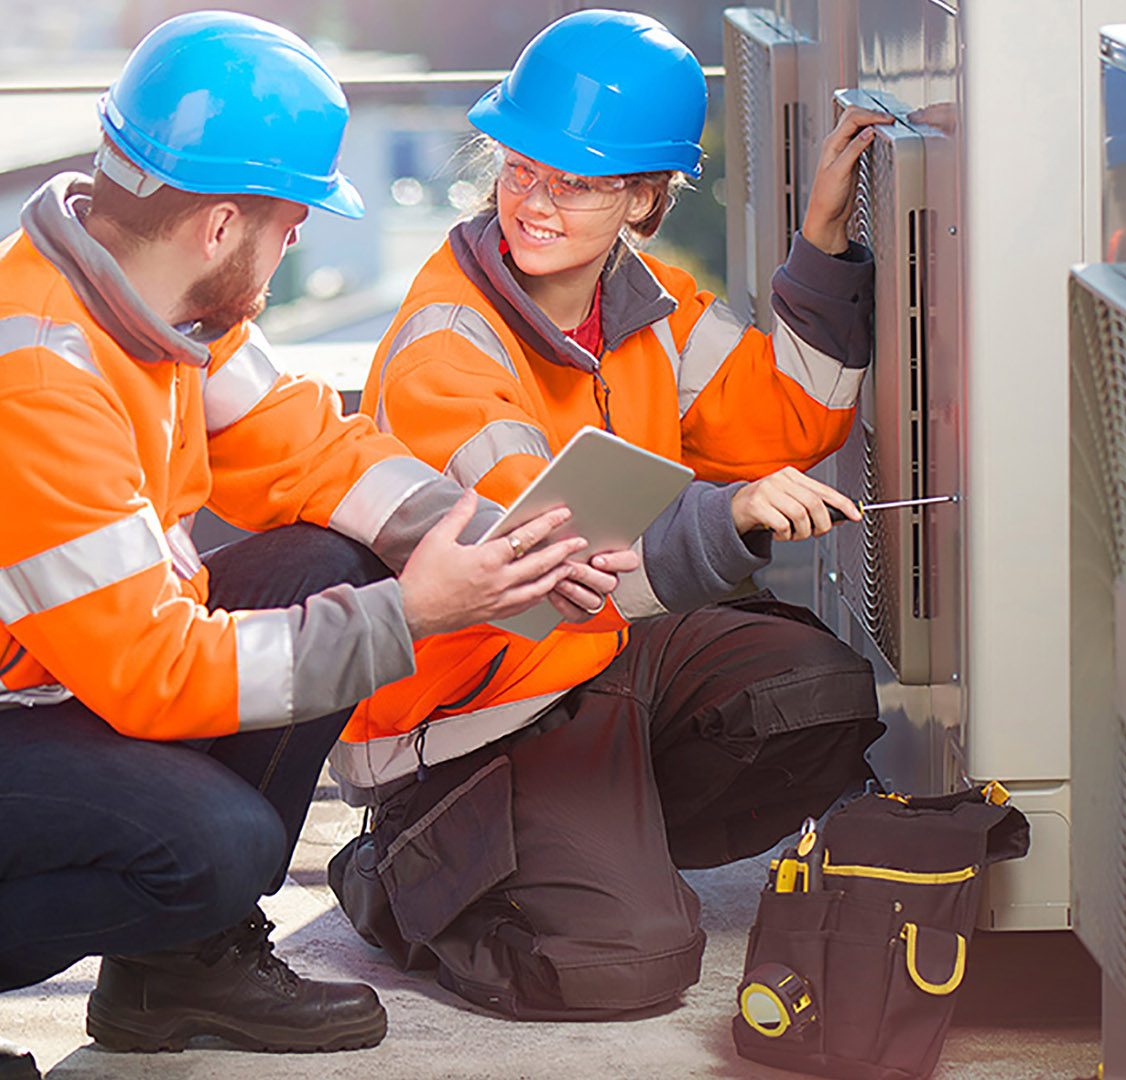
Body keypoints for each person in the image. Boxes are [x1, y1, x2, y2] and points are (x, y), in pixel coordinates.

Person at [0, 12, 632, 1077]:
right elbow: (157, 676)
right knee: (216, 844)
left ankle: (180, 971)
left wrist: (497, 546)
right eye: (293, 216)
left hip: (29, 682)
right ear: (220, 225)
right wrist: (416, 614)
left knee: (332, 557)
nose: (301, 238)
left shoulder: (156, 304)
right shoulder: (33, 383)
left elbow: (315, 454)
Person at [326, 9, 891, 1019]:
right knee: (621, 965)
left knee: (825, 696)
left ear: (640, 198)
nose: (534, 203)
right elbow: (544, 582)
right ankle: (405, 872)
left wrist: (822, 248)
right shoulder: (444, 351)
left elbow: (788, 423)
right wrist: (728, 520)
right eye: (520, 168)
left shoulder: (647, 304)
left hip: (604, 657)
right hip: (475, 713)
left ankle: (587, 842)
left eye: (575, 182)